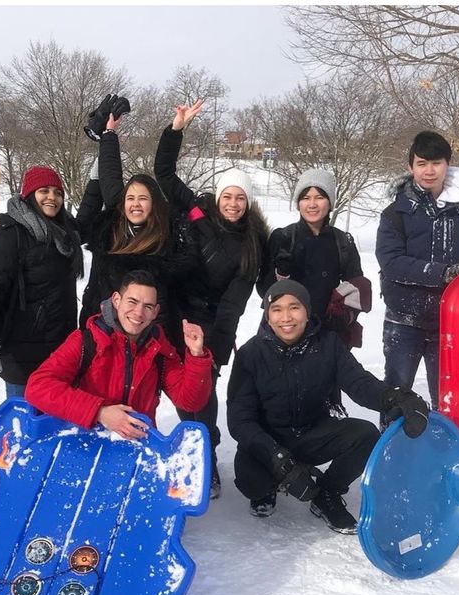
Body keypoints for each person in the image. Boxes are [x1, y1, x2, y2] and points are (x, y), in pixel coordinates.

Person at [227, 280, 429, 532]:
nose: (286, 317)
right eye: (276, 309)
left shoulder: (329, 345)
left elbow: (360, 384)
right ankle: (270, 488)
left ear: (307, 311)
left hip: (313, 432)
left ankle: (326, 494)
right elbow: (239, 419)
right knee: (252, 482)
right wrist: (281, 462)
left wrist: (397, 398)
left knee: (365, 436)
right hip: (268, 441)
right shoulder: (251, 354)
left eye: (294, 307)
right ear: (267, 317)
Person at [155, 98, 269, 498]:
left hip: (209, 325)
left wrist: (216, 347)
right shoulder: (199, 214)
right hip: (170, 313)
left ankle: (205, 458)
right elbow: (164, 176)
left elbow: (235, 302)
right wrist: (176, 130)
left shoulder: (251, 245)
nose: (233, 203)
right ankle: (163, 455)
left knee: (201, 397)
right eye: (228, 195)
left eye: (241, 198)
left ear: (248, 202)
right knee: (164, 388)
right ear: (218, 195)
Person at [25, 270, 213, 439]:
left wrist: (196, 354)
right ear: (116, 300)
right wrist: (99, 412)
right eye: (132, 301)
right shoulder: (86, 341)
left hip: (136, 447)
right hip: (84, 442)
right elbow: (38, 387)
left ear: (155, 312)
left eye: (148, 306)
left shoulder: (159, 349)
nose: (139, 312)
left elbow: (190, 402)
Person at [0, 164, 94, 398]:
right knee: (24, 422)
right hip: (21, 352)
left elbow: (86, 218)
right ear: (29, 194)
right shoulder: (12, 232)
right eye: (44, 190)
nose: (52, 197)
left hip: (59, 348)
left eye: (57, 192)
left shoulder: (62, 231)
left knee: (55, 422)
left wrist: (96, 178)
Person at [79, 108, 195, 350]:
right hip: (101, 331)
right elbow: (111, 177)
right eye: (130, 198)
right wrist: (109, 134)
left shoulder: (166, 239)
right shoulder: (111, 229)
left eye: (143, 198)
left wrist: (175, 131)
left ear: (154, 204)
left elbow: (164, 171)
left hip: (145, 338)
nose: (135, 204)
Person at [375, 130, 459, 409]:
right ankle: (393, 450)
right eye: (422, 163)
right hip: (404, 321)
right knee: (397, 397)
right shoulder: (395, 213)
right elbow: (392, 262)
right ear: (410, 167)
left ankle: (448, 451)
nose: (429, 170)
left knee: (449, 400)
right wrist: (444, 273)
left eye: (436, 163)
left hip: (449, 323)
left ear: (447, 164)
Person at [259, 169, 370, 349]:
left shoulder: (343, 242)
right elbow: (264, 291)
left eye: (319, 197)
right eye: (305, 198)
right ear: (298, 203)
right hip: (285, 334)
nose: (312, 204)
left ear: (330, 202)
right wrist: (281, 274)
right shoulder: (283, 237)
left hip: (328, 335)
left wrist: (343, 316)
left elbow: (357, 289)